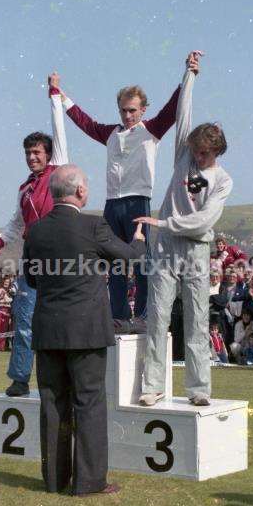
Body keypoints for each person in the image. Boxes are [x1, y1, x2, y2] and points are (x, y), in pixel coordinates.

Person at [23, 164, 145, 495]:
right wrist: (139, 238)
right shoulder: (94, 226)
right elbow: (130, 258)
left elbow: (33, 279)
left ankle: (54, 480)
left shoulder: (34, 232)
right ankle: (89, 482)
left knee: (52, 404)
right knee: (89, 403)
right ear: (80, 191)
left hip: (49, 330)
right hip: (86, 331)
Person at [54, 53, 200, 326]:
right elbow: (85, 122)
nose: (128, 115)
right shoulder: (109, 133)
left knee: (142, 261)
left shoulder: (152, 130)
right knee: (114, 262)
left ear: (143, 110)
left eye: (133, 110)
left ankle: (144, 314)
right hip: (113, 204)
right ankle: (119, 315)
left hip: (137, 202)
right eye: (123, 110)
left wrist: (188, 75)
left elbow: (173, 108)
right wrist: (61, 96)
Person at [135, 53, 233, 407]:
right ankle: (153, 385)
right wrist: (189, 75)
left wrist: (163, 223)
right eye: (195, 150)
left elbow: (205, 221)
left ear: (216, 151)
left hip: (195, 247)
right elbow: (183, 114)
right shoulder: (183, 155)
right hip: (166, 248)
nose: (198, 156)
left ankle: (199, 389)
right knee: (157, 315)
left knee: (197, 317)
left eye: (204, 153)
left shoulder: (222, 180)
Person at [0, 74, 68, 396]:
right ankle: (20, 379)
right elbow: (16, 223)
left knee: (60, 322)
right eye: (28, 153)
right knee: (24, 320)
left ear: (48, 155)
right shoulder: (25, 188)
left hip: (59, 258)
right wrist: (0, 241)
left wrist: (54, 95)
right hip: (31, 261)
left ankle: (63, 381)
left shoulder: (57, 173)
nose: (32, 157)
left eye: (37, 152)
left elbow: (59, 134)